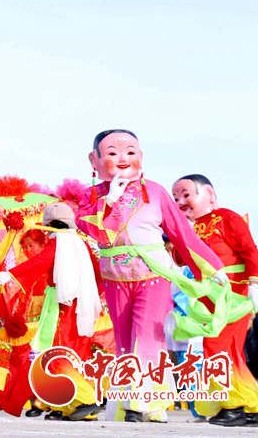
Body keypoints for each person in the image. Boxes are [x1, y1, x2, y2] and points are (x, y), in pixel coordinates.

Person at [76, 130, 226, 422]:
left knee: (146, 336)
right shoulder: (91, 196)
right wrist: (111, 198)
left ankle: (140, 403)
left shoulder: (155, 191)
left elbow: (182, 234)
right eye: (112, 153)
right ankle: (138, 404)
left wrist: (212, 267)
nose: (123, 158)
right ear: (94, 160)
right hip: (114, 277)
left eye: (131, 152)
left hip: (154, 274)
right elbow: (91, 230)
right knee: (123, 341)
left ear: (141, 157)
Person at [0, 204, 104, 420]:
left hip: (63, 305)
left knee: (55, 354)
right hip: (81, 305)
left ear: (51, 224)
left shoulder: (58, 242)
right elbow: (98, 276)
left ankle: (86, 399)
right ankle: (69, 407)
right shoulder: (82, 244)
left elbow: (40, 262)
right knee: (75, 355)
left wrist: (12, 274)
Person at [171, 174, 258, 426]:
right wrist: (183, 230)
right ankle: (250, 406)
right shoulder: (191, 226)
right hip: (209, 299)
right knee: (229, 351)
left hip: (233, 296)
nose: (180, 202)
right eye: (176, 198)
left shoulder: (227, 218)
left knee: (217, 347)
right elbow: (180, 259)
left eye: (186, 195)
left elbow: (250, 250)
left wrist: (254, 283)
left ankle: (233, 406)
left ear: (208, 194)